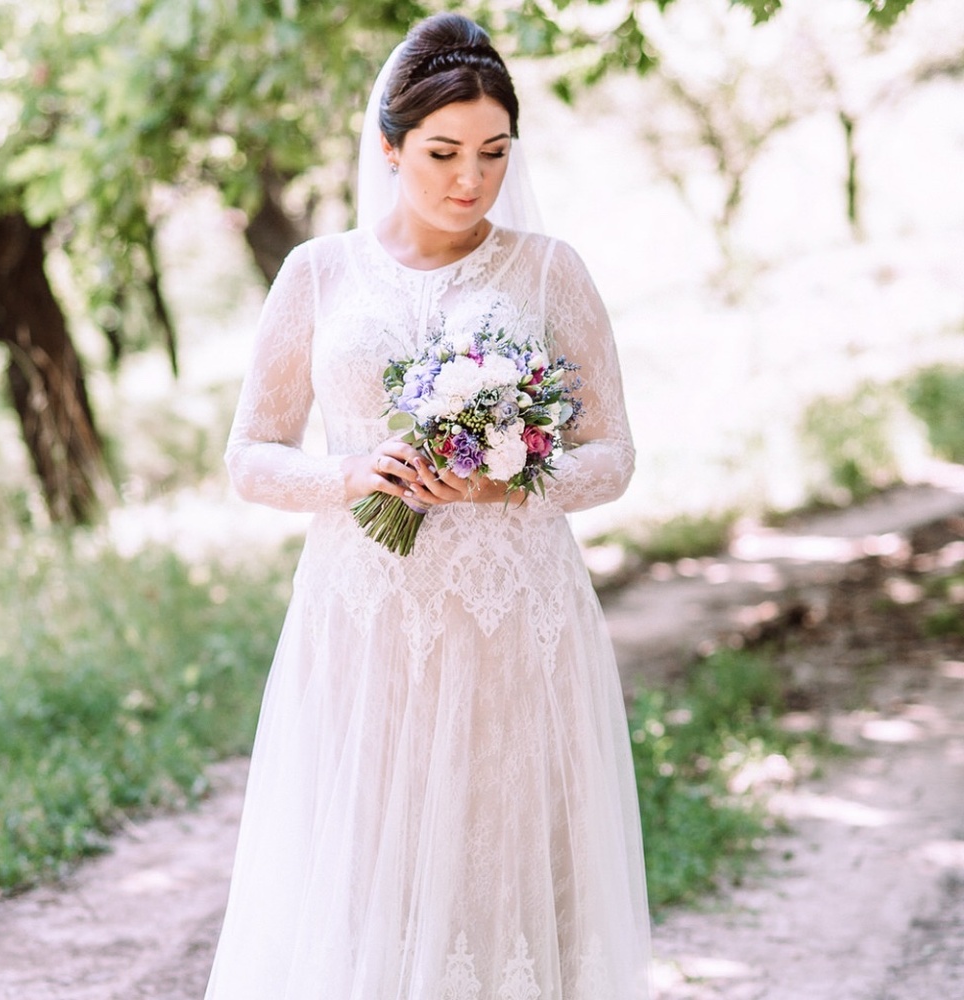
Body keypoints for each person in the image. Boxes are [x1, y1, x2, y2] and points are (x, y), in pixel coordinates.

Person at [205, 12, 652, 999]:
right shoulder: (318, 273)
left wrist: (514, 476)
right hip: (363, 620)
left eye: (494, 153)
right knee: (371, 875)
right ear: (389, 145)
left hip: (513, 624)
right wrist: (352, 475)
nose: (470, 179)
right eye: (444, 152)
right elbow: (250, 455)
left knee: (505, 870)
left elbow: (613, 453)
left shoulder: (550, 270)